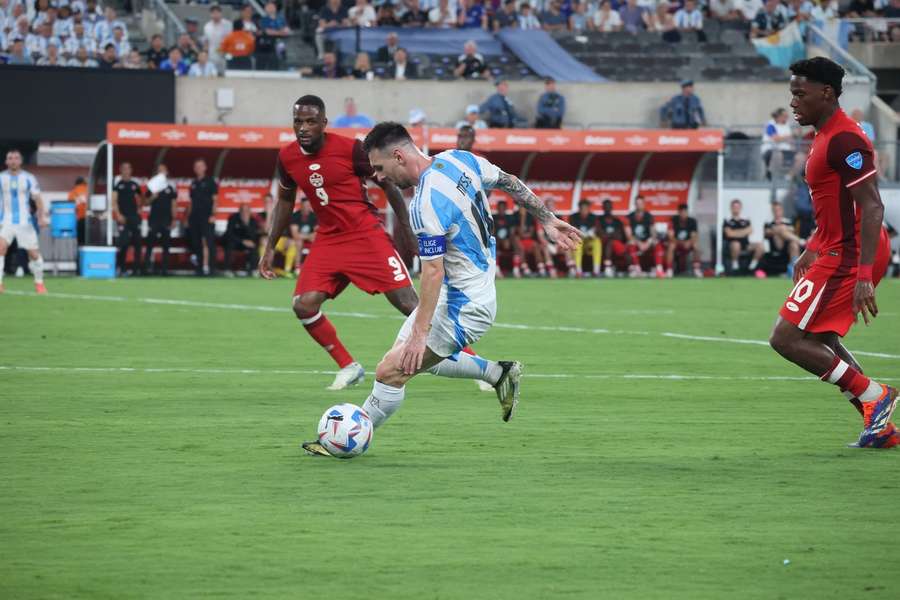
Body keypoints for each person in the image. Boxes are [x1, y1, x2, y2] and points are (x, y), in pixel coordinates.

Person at [300, 121, 582, 457]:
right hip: (459, 293)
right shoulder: (460, 159)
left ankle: (347, 444)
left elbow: (432, 271)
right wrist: (547, 218)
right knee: (409, 362)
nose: (380, 177)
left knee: (392, 369)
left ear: (398, 156)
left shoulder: (424, 205)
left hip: (467, 304)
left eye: (380, 167)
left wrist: (420, 333)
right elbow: (509, 181)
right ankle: (497, 373)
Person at [768, 57, 897, 449]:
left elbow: (872, 206)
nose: (793, 102)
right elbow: (833, 203)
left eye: (799, 93)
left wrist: (861, 276)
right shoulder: (825, 136)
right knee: (819, 337)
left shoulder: (844, 138)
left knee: (786, 339)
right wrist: (811, 247)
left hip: (851, 252)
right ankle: (880, 426)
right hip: (836, 248)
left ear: (826, 93)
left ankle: (876, 396)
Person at [258, 95, 419, 391]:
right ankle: (349, 366)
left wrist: (407, 230)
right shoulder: (287, 157)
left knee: (411, 305)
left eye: (310, 122)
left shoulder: (351, 149)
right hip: (329, 239)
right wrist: (270, 247)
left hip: (365, 235)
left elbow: (388, 185)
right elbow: (284, 201)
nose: (303, 128)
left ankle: (474, 364)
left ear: (323, 123)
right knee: (303, 305)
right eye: (298, 122)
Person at [0, 149, 47, 294]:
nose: (13, 161)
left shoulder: (29, 178)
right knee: (1, 248)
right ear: (6, 161)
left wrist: (41, 217)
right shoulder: (1, 178)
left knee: (33, 254)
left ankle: (39, 282)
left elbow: (37, 199)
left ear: (20, 161)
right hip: (5, 221)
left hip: (24, 222)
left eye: (16, 158)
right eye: (10, 158)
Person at [142, 164, 177, 276]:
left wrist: (174, 219)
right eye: (159, 171)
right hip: (154, 219)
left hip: (166, 219)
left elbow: (174, 204)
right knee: (150, 244)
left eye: (163, 170)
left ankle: (164, 270)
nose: (162, 172)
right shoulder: (152, 186)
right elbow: (144, 202)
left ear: (167, 172)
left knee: (166, 245)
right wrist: (153, 197)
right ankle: (146, 268)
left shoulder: (170, 187)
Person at [186, 158, 218, 276]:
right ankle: (199, 268)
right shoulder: (193, 183)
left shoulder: (211, 182)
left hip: (207, 217)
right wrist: (187, 218)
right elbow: (191, 202)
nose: (198, 168)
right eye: (196, 166)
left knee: (208, 243)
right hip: (194, 218)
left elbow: (215, 200)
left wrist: (213, 215)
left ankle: (211, 268)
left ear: (205, 168)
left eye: (200, 166)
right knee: (196, 243)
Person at [723, 198, 765, 276]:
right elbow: (729, 234)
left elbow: (750, 231)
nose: (736, 209)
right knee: (736, 244)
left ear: (740, 208)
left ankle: (752, 266)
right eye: (734, 207)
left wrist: (735, 232)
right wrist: (743, 232)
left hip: (746, 244)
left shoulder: (745, 220)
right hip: (732, 245)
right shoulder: (727, 220)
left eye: (737, 207)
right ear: (731, 208)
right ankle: (735, 266)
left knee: (760, 246)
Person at [763, 200, 803, 277]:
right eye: (775, 210)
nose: (777, 212)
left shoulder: (788, 221)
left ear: (782, 210)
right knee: (780, 231)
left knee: (794, 244)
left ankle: (794, 269)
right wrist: (781, 229)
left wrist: (778, 229)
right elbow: (767, 232)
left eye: (778, 210)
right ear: (772, 211)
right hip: (776, 247)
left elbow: (792, 230)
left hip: (788, 247)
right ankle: (802, 242)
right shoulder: (768, 222)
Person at [625, 196, 662, 277]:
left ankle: (659, 269)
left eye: (641, 203)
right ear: (635, 204)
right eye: (637, 203)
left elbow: (654, 233)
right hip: (636, 242)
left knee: (656, 242)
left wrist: (648, 242)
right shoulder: (629, 217)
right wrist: (639, 243)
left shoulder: (649, 216)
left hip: (647, 241)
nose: (639, 205)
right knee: (631, 242)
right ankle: (637, 269)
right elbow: (629, 235)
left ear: (644, 204)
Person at [223, 203, 261, 276]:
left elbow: (253, 236)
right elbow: (229, 234)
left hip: (247, 243)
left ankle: (253, 269)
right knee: (229, 246)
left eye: (247, 210)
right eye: (243, 210)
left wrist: (246, 224)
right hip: (235, 242)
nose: (245, 212)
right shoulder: (233, 218)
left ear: (249, 211)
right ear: (239, 211)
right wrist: (242, 241)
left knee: (254, 246)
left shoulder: (252, 221)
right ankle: (227, 269)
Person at [667, 203, 702, 277]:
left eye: (685, 212)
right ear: (679, 212)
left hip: (688, 243)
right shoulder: (673, 220)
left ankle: (696, 269)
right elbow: (670, 236)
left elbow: (694, 236)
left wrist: (689, 242)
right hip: (677, 243)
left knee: (696, 245)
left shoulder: (692, 221)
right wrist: (681, 243)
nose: (683, 214)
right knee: (671, 246)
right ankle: (669, 270)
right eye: (682, 212)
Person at [568, 199, 601, 277]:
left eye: (586, 209)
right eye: (582, 209)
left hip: (588, 242)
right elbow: (572, 230)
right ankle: (578, 270)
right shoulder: (573, 217)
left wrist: (591, 233)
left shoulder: (593, 217)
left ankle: (596, 270)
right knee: (577, 242)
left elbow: (596, 230)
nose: (584, 211)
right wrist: (582, 235)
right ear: (579, 209)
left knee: (597, 241)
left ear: (588, 209)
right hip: (579, 240)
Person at [761, 108, 795, 180]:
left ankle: (789, 178)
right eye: (784, 116)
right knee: (778, 155)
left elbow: (791, 140)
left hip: (786, 150)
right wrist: (786, 137)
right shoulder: (771, 125)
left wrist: (789, 142)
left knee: (800, 158)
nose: (786, 118)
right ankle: (773, 179)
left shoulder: (787, 125)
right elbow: (776, 138)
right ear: (779, 116)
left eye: (787, 116)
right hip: (771, 150)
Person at [597, 198, 628, 277]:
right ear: (603, 208)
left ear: (611, 208)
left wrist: (609, 236)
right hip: (603, 243)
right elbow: (600, 234)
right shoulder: (599, 220)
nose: (607, 208)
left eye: (609, 207)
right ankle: (607, 268)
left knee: (613, 243)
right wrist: (611, 235)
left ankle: (631, 268)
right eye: (606, 207)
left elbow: (621, 236)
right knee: (608, 242)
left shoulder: (617, 221)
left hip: (616, 243)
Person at [289, 197, 317, 274]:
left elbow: (317, 232)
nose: (306, 208)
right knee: (299, 242)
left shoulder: (314, 216)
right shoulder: (295, 216)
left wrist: (311, 236)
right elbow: (295, 234)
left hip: (309, 239)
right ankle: (297, 267)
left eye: (308, 206)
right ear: (301, 206)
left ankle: (314, 268)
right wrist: (308, 236)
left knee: (318, 242)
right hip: (294, 240)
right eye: (304, 206)